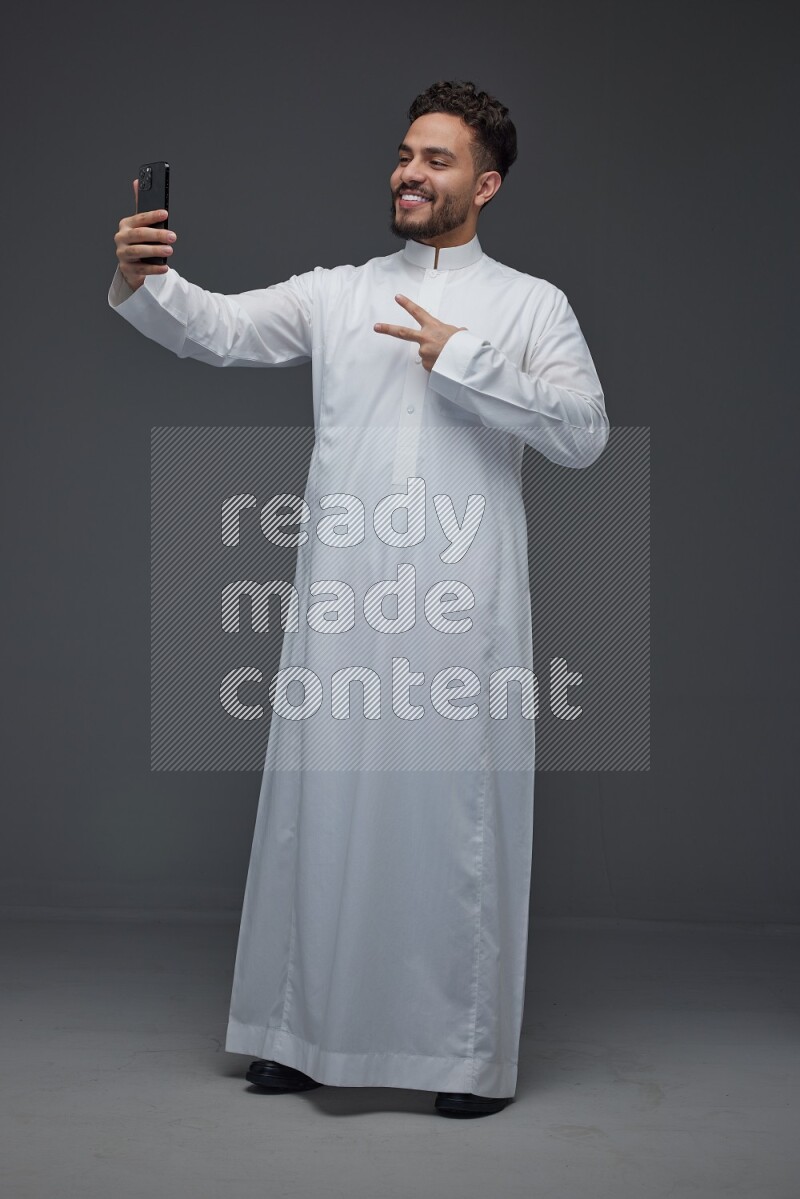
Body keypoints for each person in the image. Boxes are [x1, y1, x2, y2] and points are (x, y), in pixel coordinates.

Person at [110, 80, 609, 1118]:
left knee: (451, 824)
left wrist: (461, 356)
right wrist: (147, 275)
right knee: (318, 812)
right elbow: (221, 330)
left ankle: (461, 1054)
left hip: (461, 613)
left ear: (486, 181)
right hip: (343, 604)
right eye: (402, 155)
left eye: (434, 159)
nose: (408, 173)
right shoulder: (340, 292)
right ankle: (297, 1032)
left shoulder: (529, 305)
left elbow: (581, 431)